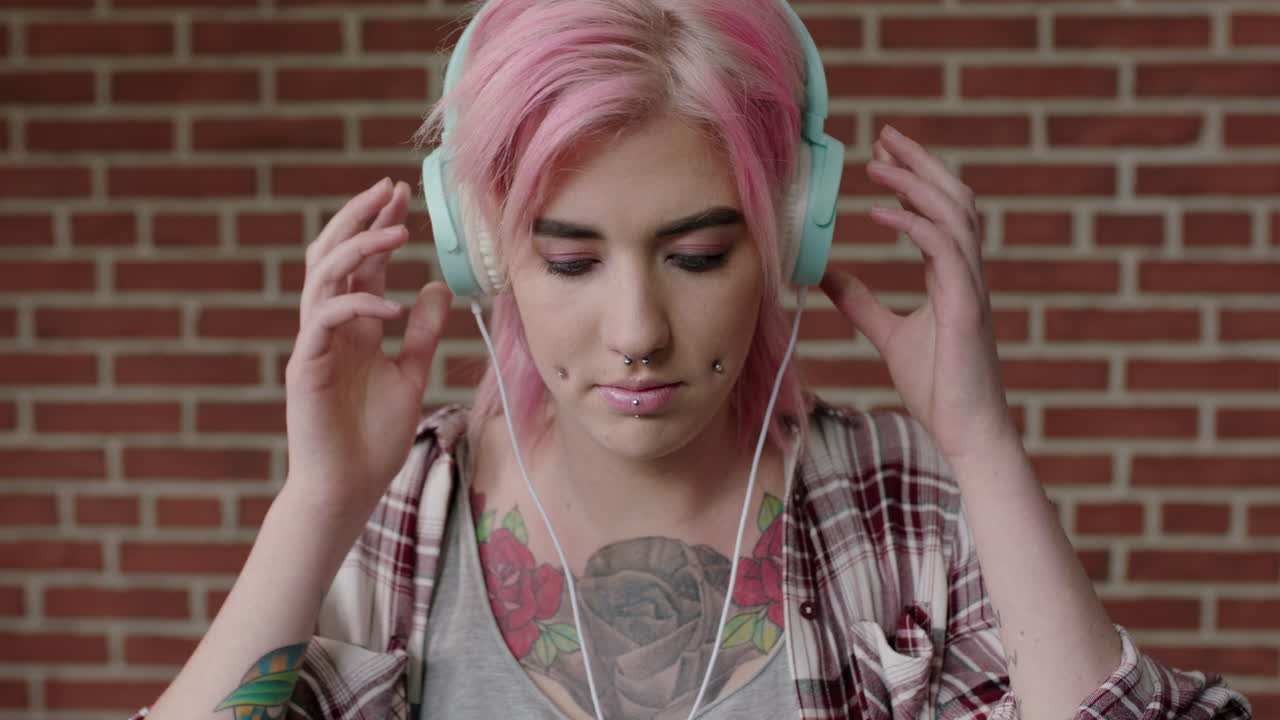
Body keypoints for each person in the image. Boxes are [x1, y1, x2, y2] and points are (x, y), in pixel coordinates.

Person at [130, 0, 1253, 718]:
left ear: (789, 237)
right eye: (569, 261)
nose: (636, 332)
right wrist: (316, 500)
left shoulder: (900, 502)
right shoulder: (388, 518)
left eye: (699, 254)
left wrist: (984, 445)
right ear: (482, 259)